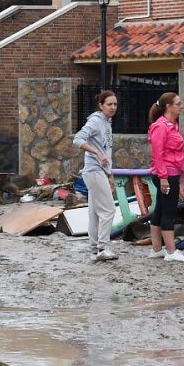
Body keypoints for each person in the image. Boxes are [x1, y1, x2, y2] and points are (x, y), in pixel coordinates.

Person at [73, 90, 119, 262]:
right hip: (93, 170)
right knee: (108, 209)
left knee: (95, 212)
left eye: (115, 104)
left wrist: (111, 175)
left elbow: (107, 150)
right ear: (101, 105)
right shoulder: (95, 121)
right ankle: (103, 247)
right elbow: (78, 139)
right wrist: (96, 153)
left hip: (101, 171)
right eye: (109, 104)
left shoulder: (107, 122)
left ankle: (94, 248)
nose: (113, 107)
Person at [147, 92, 184, 263]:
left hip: (172, 172)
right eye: (178, 103)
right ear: (169, 107)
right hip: (166, 174)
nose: (181, 106)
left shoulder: (173, 124)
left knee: (160, 209)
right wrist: (163, 177)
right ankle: (171, 251)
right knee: (169, 211)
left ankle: (157, 248)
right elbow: (157, 153)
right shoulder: (161, 126)